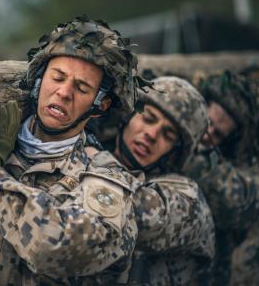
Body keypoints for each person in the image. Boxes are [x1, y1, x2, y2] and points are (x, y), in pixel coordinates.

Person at [0, 16, 151, 285]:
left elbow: (51, 250)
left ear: (101, 105)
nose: (63, 92)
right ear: (39, 79)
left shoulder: (106, 178)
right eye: (57, 77)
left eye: (82, 88)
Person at [90, 76, 215, 285]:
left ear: (175, 154)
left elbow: (125, 209)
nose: (151, 134)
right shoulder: (96, 150)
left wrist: (89, 153)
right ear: (127, 117)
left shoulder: (188, 199)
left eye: (168, 134)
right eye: (148, 118)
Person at [183, 70, 259, 285]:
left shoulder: (230, 168)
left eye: (217, 133)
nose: (207, 132)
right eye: (206, 122)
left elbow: (241, 204)